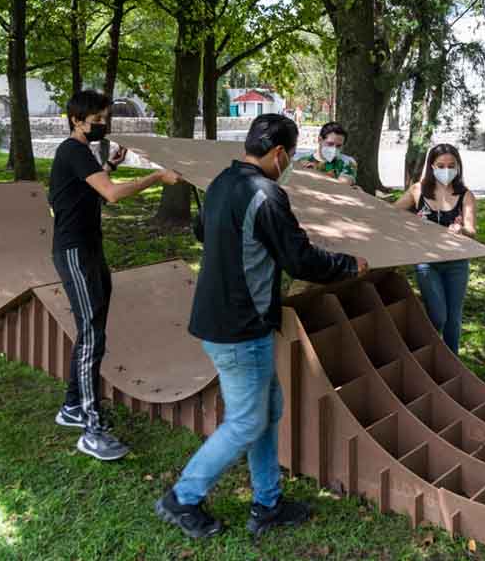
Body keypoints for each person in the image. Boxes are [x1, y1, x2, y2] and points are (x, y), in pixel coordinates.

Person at [155, 113, 369, 539]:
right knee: (248, 422)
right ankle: (183, 497)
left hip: (221, 317)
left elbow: (204, 232)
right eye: (287, 156)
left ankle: (267, 503)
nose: (287, 163)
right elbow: (300, 259)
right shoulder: (266, 195)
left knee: (267, 411)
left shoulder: (220, 183)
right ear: (278, 153)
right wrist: (349, 265)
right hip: (241, 325)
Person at [49, 90, 182, 461]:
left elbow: (90, 189)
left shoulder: (81, 153)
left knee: (94, 330)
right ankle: (91, 428)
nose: (103, 126)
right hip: (74, 251)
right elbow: (111, 196)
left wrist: (112, 166)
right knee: (91, 333)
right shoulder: (71, 150)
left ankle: (73, 406)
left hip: (90, 250)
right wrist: (156, 177)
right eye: (98, 121)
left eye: (106, 119)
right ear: (77, 120)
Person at [394, 143, 476, 355]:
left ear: (458, 167)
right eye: (441, 165)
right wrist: (413, 221)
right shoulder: (418, 191)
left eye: (451, 165)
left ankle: (452, 363)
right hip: (427, 263)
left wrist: (462, 230)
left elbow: (472, 229)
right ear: (431, 166)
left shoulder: (465, 195)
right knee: (439, 316)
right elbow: (391, 214)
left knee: (453, 320)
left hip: (457, 263)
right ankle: (421, 352)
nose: (446, 170)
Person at [298, 122, 358, 186]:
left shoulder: (348, 162)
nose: (334, 149)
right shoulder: (303, 161)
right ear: (320, 140)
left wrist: (314, 172)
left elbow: (342, 186)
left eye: (338, 146)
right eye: (330, 144)